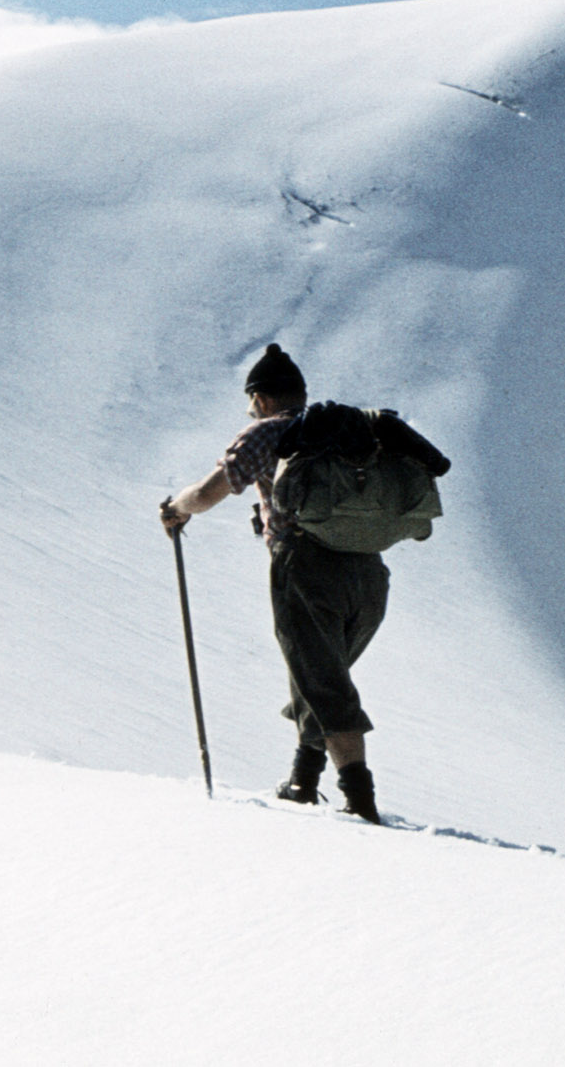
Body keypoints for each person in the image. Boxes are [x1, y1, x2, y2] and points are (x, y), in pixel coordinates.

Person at [159, 344, 388, 823]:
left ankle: (361, 802)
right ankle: (304, 781)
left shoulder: (268, 433)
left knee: (322, 680)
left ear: (261, 399)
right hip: (369, 572)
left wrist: (177, 509)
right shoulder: (348, 432)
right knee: (317, 671)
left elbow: (207, 493)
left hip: (305, 568)